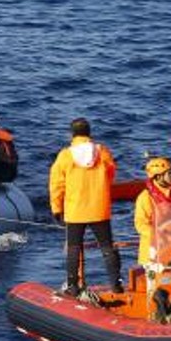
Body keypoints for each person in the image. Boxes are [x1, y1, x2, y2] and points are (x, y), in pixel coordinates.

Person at [49, 118, 122, 296]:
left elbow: (56, 184)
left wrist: (56, 208)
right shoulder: (102, 151)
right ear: (90, 133)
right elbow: (111, 173)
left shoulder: (65, 155)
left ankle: (73, 286)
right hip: (99, 207)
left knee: (74, 247)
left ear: (72, 135)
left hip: (75, 210)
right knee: (107, 247)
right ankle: (116, 284)